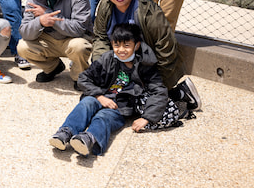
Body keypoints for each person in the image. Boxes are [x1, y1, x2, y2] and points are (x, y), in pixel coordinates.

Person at [92, 0, 202, 111]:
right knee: (109, 98)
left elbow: (166, 49)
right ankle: (173, 93)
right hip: (123, 63)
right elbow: (100, 38)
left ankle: (180, 93)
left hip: (149, 65)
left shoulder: (150, 12)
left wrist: (156, 84)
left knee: (136, 106)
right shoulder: (105, 5)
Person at [48, 23, 170, 157]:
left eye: (127, 45)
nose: (121, 50)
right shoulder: (108, 59)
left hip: (120, 106)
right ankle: (65, 132)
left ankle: (88, 139)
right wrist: (99, 95)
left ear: (137, 45)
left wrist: (147, 118)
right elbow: (84, 78)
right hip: (100, 96)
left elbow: (159, 92)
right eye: (116, 45)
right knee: (86, 103)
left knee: (104, 117)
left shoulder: (146, 65)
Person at [18, 0, 92, 87]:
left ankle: (79, 76)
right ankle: (53, 67)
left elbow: (79, 29)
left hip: (72, 39)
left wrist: (49, 17)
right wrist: (40, 21)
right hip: (49, 41)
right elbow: (24, 32)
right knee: (22, 47)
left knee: (79, 47)